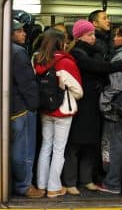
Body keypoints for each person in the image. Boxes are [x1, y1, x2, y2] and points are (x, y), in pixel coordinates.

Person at [61, 19, 122, 195]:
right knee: (74, 145)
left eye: (93, 34)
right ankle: (70, 181)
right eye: (90, 34)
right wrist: (118, 66)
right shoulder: (77, 53)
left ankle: (86, 179)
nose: (93, 37)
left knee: (90, 144)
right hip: (80, 103)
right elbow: (96, 67)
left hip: (92, 102)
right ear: (80, 36)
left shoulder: (95, 51)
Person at [33, 28, 83, 198]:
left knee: (45, 146)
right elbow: (78, 91)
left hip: (44, 109)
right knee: (59, 149)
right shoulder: (66, 62)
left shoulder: (37, 59)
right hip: (62, 111)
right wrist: (66, 92)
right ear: (60, 43)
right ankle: (54, 187)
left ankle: (41, 184)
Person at [98, 25, 122, 194]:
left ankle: (112, 183)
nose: (114, 38)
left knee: (114, 144)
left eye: (118, 36)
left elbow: (116, 85)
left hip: (115, 106)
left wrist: (104, 101)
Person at [10, 19, 44, 198]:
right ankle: (24, 186)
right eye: (19, 31)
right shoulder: (19, 52)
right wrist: (34, 105)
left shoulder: (4, 49)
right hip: (22, 109)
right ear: (10, 33)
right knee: (24, 150)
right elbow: (27, 83)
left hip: (11, 107)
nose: (24, 34)